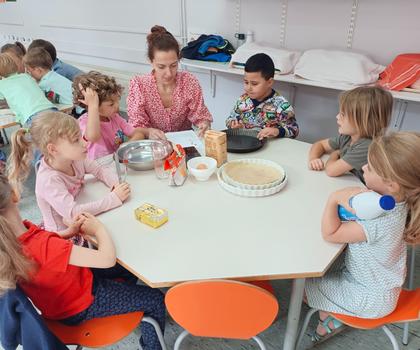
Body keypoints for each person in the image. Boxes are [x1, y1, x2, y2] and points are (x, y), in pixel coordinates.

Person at [0, 174, 166, 349]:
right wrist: (98, 228)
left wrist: (68, 232)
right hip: (81, 304)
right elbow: (107, 259)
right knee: (155, 299)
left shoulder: (9, 243)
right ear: (15, 195)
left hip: (59, 302)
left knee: (126, 268)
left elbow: (43, 243)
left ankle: (126, 301)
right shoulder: (45, 247)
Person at [305, 132, 420, 346]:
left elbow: (330, 233)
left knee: (304, 284)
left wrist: (334, 199)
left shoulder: (379, 220)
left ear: (392, 185)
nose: (364, 168)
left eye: (370, 167)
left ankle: (329, 319)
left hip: (370, 300)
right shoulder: (401, 201)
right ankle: (334, 310)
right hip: (381, 285)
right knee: (331, 265)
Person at [7, 112, 131, 245]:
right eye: (76, 140)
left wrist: (116, 183)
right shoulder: (49, 180)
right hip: (63, 236)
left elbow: (99, 169)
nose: (85, 143)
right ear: (53, 149)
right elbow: (74, 212)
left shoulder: (74, 158)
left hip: (78, 221)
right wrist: (113, 198)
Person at [127, 25, 212, 140]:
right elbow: (135, 127)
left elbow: (201, 116)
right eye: (161, 67)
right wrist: (148, 131)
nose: (169, 73)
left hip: (185, 146)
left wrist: (204, 124)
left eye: (173, 65)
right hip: (154, 148)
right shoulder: (139, 85)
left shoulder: (189, 82)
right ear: (151, 61)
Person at [308, 86, 393, 182]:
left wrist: (335, 154)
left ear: (363, 121)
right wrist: (313, 159)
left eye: (343, 114)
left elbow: (331, 170)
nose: (337, 117)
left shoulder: (367, 146)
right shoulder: (347, 137)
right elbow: (320, 144)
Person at [73, 71, 146, 160]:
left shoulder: (115, 118)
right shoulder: (84, 122)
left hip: (114, 164)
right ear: (94, 106)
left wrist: (125, 147)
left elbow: (138, 134)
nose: (117, 106)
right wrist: (93, 105)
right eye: (111, 104)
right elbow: (93, 136)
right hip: (96, 169)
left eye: (117, 101)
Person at [225, 53, 299, 140]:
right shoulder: (242, 100)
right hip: (245, 144)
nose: (248, 88)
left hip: (271, 149)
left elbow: (294, 130)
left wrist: (277, 131)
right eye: (246, 82)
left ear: (269, 82)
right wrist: (233, 125)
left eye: (254, 84)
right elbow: (230, 119)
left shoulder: (281, 105)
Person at [0, 53, 55, 126]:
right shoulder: (26, 76)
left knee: (37, 136)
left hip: (33, 116)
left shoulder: (2, 84)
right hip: (51, 109)